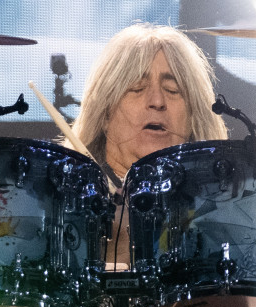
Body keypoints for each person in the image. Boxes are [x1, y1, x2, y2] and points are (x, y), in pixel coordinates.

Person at [67, 23, 229, 267]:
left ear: (194, 116)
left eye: (173, 90)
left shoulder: (221, 206)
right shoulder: (67, 205)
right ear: (105, 113)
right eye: (137, 88)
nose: (157, 101)